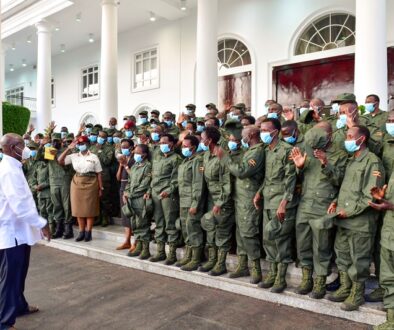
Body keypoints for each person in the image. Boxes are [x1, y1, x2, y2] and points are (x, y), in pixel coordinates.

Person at [327, 125, 385, 311]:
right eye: (347, 136)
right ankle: (346, 287)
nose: (347, 139)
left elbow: (371, 196)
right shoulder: (353, 160)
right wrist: (336, 202)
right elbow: (346, 187)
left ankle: (357, 294)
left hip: (360, 221)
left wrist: (349, 211)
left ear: (362, 139)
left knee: (359, 259)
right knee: (342, 255)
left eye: (351, 136)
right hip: (343, 218)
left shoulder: (372, 162)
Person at [290, 123, 347, 299]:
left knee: (321, 246)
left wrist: (326, 162)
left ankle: (320, 282)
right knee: (303, 244)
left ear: (329, 135)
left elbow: (341, 181)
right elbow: (297, 178)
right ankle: (307, 278)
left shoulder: (340, 154)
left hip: (324, 206)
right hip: (306, 204)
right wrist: (299, 166)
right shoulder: (308, 149)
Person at [0, 133, 50, 330]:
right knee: (10, 278)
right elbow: (19, 205)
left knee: (18, 274)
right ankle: (4, 322)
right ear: (13, 148)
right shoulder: (9, 171)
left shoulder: (12, 167)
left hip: (18, 233)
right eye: (22, 144)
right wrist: (41, 223)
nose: (26, 147)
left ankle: (19, 306)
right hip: (11, 234)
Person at [217, 125, 265, 284]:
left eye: (243, 135)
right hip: (241, 197)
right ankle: (243, 265)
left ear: (250, 135)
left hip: (249, 198)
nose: (240, 139)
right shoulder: (249, 151)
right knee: (240, 232)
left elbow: (242, 171)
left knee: (248, 233)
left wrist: (225, 158)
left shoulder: (257, 151)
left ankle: (256, 267)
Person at [254, 118, 297, 293]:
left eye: (266, 130)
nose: (263, 132)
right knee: (268, 238)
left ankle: (280, 278)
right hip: (268, 200)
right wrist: (259, 192)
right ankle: (271, 273)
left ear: (276, 131)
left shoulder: (287, 150)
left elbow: (291, 179)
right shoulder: (267, 150)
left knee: (281, 239)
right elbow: (268, 178)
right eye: (261, 129)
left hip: (281, 202)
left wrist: (284, 203)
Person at [199, 127, 234, 276]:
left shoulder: (222, 155)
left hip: (222, 200)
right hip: (210, 198)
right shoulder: (207, 155)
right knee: (211, 230)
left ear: (210, 140)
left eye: (202, 138)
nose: (201, 141)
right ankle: (212, 260)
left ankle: (221, 263)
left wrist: (220, 202)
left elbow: (227, 183)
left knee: (222, 231)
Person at [58, 135, 103, 242]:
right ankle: (81, 232)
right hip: (77, 182)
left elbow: (99, 173)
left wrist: (101, 188)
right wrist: (68, 148)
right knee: (78, 209)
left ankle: (89, 232)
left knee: (90, 209)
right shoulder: (74, 155)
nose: (80, 146)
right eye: (79, 144)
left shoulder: (94, 157)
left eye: (82, 144)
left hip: (91, 182)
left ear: (87, 144)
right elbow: (60, 161)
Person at [147, 133, 181, 264]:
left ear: (171, 144)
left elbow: (177, 179)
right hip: (156, 194)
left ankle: (171, 254)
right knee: (159, 223)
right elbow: (153, 177)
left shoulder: (176, 159)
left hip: (168, 196)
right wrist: (149, 191)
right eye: (160, 143)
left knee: (170, 223)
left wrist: (168, 191)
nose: (162, 145)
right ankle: (160, 252)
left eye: (164, 143)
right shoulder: (157, 158)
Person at [176, 135, 206, 271]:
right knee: (186, 228)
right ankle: (188, 255)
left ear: (194, 147)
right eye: (182, 146)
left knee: (194, 229)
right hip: (183, 200)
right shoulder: (184, 162)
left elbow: (198, 184)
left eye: (186, 146)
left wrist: (195, 204)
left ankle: (196, 258)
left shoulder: (198, 161)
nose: (184, 148)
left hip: (193, 201)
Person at [368, 174, 394, 329]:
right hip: (389, 234)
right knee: (388, 278)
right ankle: (391, 321)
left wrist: (390, 206)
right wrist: (382, 198)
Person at [123, 144, 152, 260]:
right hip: (131, 198)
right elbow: (129, 182)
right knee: (135, 223)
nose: (135, 155)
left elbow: (144, 185)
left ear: (144, 155)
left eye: (138, 153)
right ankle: (138, 247)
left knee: (143, 223)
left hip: (140, 199)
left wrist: (130, 194)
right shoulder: (134, 166)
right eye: (135, 152)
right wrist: (126, 192)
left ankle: (145, 250)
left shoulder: (148, 166)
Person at [115, 139, 135, 251]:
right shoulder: (123, 159)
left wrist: (126, 165)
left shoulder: (134, 159)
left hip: (131, 189)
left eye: (125, 147)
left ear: (131, 148)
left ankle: (135, 242)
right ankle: (127, 241)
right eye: (122, 147)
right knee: (125, 216)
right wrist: (121, 165)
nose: (123, 149)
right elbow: (118, 177)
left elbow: (134, 176)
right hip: (122, 188)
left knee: (132, 216)